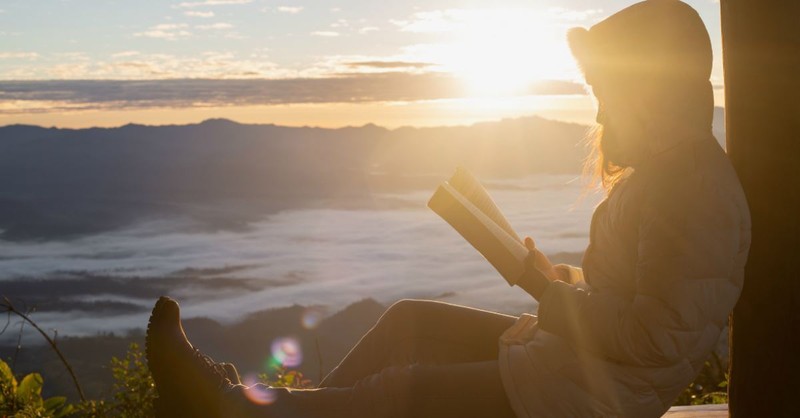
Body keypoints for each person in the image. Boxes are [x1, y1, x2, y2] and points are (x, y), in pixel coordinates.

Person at [145, 1, 751, 416]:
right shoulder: (674, 175)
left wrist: (542, 290)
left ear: (648, 93)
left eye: (607, 96)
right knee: (410, 322)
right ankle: (258, 408)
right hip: (584, 367)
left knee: (398, 392)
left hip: (591, 396)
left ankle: (226, 405)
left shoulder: (689, 188)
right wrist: (557, 278)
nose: (599, 116)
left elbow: (652, 341)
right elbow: (644, 300)